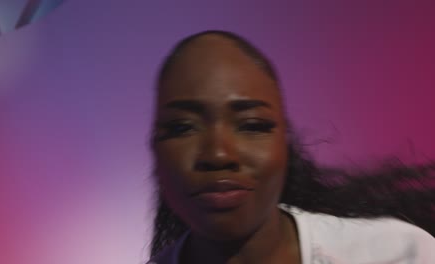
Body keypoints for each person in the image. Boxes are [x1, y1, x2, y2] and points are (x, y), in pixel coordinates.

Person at [146, 30, 435, 264]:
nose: (219, 154)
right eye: (182, 127)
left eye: (252, 125)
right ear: (154, 152)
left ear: (284, 145)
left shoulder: (399, 254)